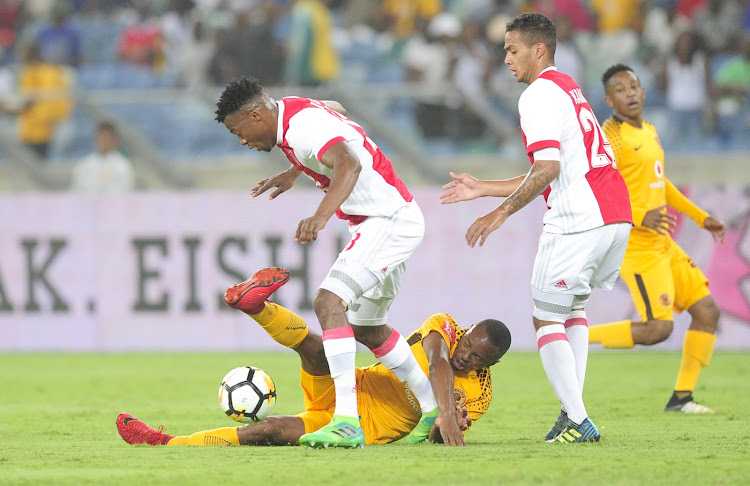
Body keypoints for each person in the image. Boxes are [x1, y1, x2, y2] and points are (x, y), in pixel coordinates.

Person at [213, 77, 438, 449]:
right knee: (367, 327)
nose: (242, 141)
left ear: (255, 114)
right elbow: (337, 110)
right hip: (393, 216)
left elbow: (348, 163)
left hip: (385, 220)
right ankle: (431, 407)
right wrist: (294, 171)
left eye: (239, 131)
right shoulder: (294, 111)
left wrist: (320, 215)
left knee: (328, 303)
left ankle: (347, 421)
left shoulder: (300, 128)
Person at [439, 13, 633, 443]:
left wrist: (500, 212)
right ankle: (571, 413)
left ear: (537, 50)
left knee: (546, 319)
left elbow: (546, 169)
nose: (506, 59)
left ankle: (580, 422)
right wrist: (484, 189)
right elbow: (553, 169)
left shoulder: (537, 95)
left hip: (577, 219)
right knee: (571, 311)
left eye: (512, 50)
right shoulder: (568, 89)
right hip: (614, 214)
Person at [116, 267, 512, 447]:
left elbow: (441, 435)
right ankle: (255, 307)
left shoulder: (481, 395)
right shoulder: (445, 326)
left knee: (269, 432)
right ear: (467, 331)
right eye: (468, 345)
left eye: (477, 359)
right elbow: (439, 358)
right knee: (318, 349)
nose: (466, 357)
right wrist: (444, 406)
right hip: (353, 385)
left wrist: (448, 426)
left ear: (491, 366)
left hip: (366, 428)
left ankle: (167, 442)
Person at [588, 64, 726, 414]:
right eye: (621, 89)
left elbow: (659, 184)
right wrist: (638, 216)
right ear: (609, 99)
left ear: (644, 91)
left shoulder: (649, 129)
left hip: (663, 242)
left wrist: (700, 217)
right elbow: (595, 189)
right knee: (658, 329)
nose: (630, 93)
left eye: (634, 86)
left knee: (707, 311)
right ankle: (577, 336)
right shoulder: (610, 137)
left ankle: (681, 398)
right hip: (637, 247)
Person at [70, 120, 135, 194]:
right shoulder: (84, 165)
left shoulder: (123, 166)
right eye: (102, 137)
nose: (104, 141)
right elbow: (75, 192)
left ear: (114, 140)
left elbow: (127, 193)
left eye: (107, 138)